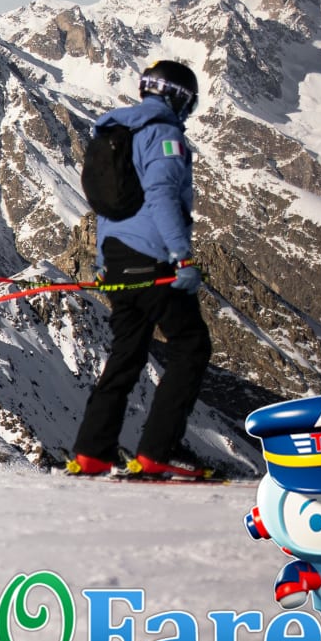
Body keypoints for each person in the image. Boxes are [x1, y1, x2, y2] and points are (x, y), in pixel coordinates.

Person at [68, 59, 214, 479]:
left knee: (126, 356)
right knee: (191, 346)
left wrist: (104, 264)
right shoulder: (164, 135)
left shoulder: (117, 133)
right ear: (179, 98)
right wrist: (181, 256)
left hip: (117, 260)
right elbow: (162, 196)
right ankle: (159, 452)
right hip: (154, 261)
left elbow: (107, 207)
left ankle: (92, 453)